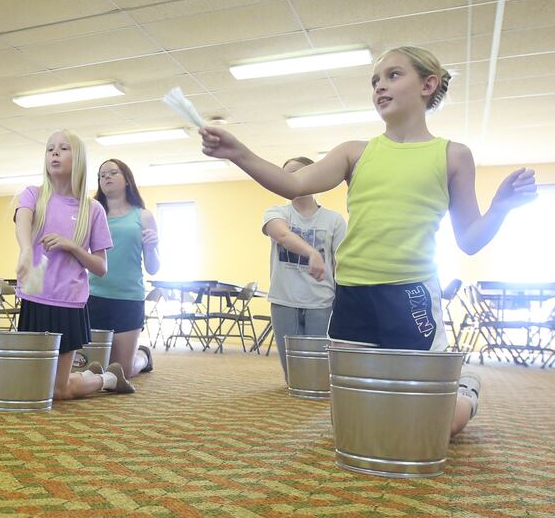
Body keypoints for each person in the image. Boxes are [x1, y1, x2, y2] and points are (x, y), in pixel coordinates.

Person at [200, 46, 537, 437]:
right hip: (354, 295)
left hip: (409, 294)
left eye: (393, 76)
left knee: (426, 428)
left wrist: (501, 207)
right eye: (375, 80)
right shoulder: (354, 153)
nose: (380, 86)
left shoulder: (453, 156)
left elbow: (470, 240)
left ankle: (464, 388)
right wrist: (237, 153)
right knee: (355, 423)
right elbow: (291, 183)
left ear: (428, 84)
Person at [15, 130, 135, 400]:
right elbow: (22, 220)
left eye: (63, 148)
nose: (54, 153)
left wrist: (71, 246)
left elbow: (101, 267)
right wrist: (25, 249)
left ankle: (108, 378)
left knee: (58, 391)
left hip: (67, 304)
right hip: (35, 299)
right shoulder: (33, 195)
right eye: (49, 148)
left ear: (78, 158)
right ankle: (90, 375)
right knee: (32, 385)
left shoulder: (93, 210)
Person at [262, 157, 346, 383]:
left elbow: (341, 263)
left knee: (317, 375)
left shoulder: (334, 220)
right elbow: (282, 235)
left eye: (297, 173)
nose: (291, 180)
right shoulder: (277, 212)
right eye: (286, 175)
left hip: (320, 301)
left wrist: (344, 301)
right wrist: (312, 253)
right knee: (294, 377)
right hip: (284, 300)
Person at [88, 159, 159, 378]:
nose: (106, 177)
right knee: (94, 365)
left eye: (112, 173)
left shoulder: (143, 216)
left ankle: (143, 356)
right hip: (93, 295)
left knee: (121, 370)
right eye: (101, 175)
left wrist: (151, 247)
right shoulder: (91, 215)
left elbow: (153, 268)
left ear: (127, 179)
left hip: (128, 297)